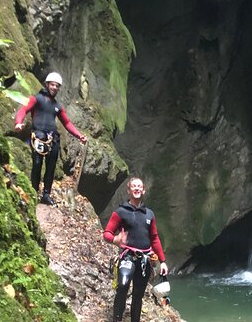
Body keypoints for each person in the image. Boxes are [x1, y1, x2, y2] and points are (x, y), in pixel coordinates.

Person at [14, 72, 87, 206]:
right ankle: (34, 192)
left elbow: (67, 123)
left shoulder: (58, 106)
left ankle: (46, 195)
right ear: (47, 84)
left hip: (52, 138)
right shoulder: (36, 99)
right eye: (52, 85)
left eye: (57, 86)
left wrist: (79, 135)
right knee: (37, 164)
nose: (54, 88)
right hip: (38, 135)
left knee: (51, 167)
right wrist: (18, 122)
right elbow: (23, 110)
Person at [103, 177, 168, 322]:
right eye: (134, 186)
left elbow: (155, 238)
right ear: (129, 190)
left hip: (144, 260)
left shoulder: (149, 214)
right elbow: (107, 233)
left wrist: (162, 261)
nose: (137, 189)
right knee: (123, 286)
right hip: (127, 257)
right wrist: (115, 240)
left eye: (139, 186)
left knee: (138, 294)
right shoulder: (121, 212)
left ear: (143, 190)